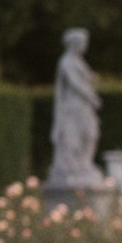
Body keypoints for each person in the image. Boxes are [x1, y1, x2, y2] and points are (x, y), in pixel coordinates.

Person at [48, 28, 104, 188]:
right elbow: (75, 84)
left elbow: (87, 79)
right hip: (73, 107)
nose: (85, 45)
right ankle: (72, 167)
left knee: (91, 134)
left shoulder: (78, 61)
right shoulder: (66, 61)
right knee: (73, 138)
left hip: (84, 107)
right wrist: (91, 97)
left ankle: (84, 164)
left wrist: (92, 80)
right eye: (83, 42)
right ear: (75, 43)